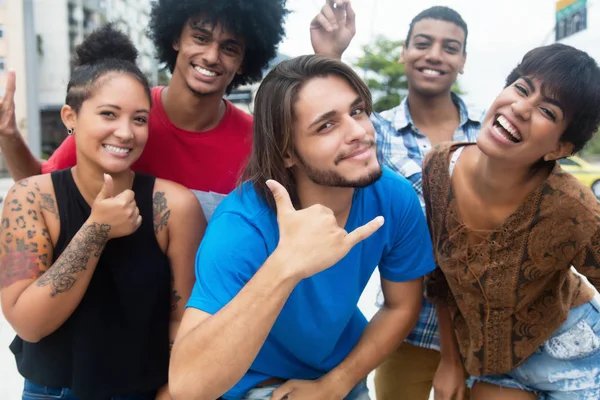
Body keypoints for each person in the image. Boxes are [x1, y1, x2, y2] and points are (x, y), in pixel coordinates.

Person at [168, 55, 434, 400]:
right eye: (326, 126)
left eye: (356, 111)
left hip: (339, 375)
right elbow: (188, 387)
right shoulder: (242, 227)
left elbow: (400, 306)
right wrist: (285, 266)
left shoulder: (394, 197)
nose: (359, 133)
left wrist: (334, 385)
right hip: (251, 383)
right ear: (286, 153)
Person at [0, 25, 205, 400]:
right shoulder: (29, 198)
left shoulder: (175, 206)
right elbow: (28, 323)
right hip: (51, 390)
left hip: (146, 390)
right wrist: (96, 229)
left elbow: (185, 321)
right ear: (70, 116)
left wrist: (172, 392)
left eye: (139, 119)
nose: (125, 132)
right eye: (109, 114)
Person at [310, 4, 483, 399]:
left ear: (463, 61)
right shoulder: (374, 132)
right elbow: (321, 128)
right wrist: (329, 56)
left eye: (450, 47)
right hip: (407, 327)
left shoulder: (489, 131)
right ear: (404, 52)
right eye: (423, 43)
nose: (435, 54)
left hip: (483, 333)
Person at [0, 0, 289, 220]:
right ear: (176, 38)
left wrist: (327, 54)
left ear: (243, 61)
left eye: (229, 48)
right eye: (200, 38)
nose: (211, 56)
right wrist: (8, 134)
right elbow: (42, 188)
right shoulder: (123, 119)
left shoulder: (257, 140)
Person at [423, 43, 600, 400]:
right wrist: (450, 361)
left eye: (547, 111)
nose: (520, 108)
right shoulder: (438, 167)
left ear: (560, 149)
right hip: (493, 366)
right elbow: (440, 277)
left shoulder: (574, 208)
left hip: (576, 359)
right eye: (521, 88)